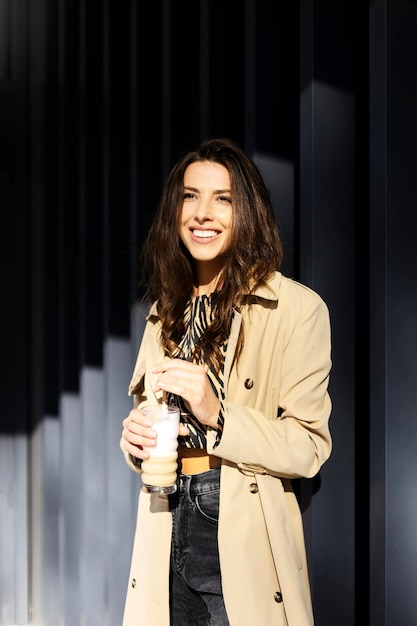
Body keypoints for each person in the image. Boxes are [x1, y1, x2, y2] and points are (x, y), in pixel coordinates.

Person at [120, 137, 332, 626]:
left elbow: (308, 446)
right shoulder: (164, 313)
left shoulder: (296, 310)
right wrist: (133, 441)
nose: (202, 213)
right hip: (164, 514)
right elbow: (148, 419)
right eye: (190, 196)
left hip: (239, 519)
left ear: (248, 211)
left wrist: (219, 414)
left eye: (223, 199)